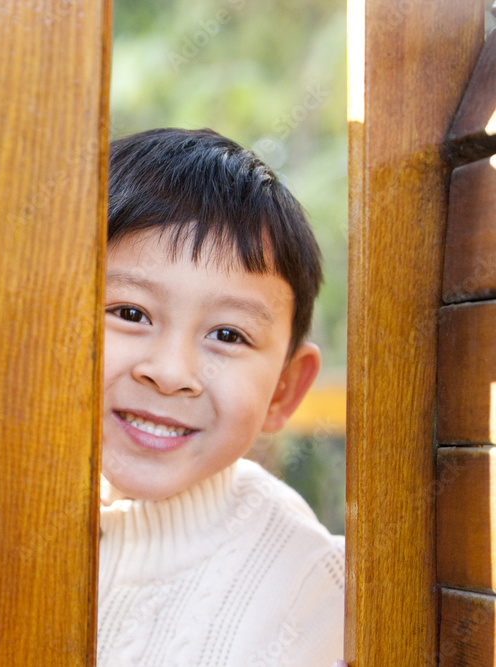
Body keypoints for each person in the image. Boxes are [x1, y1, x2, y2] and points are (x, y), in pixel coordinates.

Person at [97, 128, 344, 666]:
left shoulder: (306, 584)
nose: (169, 373)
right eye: (131, 313)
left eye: (228, 335)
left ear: (283, 389)